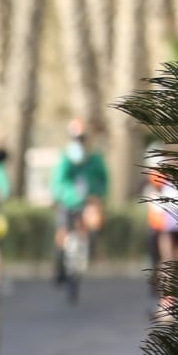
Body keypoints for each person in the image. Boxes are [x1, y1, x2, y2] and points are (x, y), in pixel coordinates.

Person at [52, 118, 110, 289]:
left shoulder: (95, 159)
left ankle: (92, 249)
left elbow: (103, 181)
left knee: (94, 221)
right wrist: (70, 196)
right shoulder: (65, 159)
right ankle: (60, 264)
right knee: (62, 232)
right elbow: (58, 183)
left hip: (89, 201)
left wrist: (97, 196)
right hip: (68, 202)